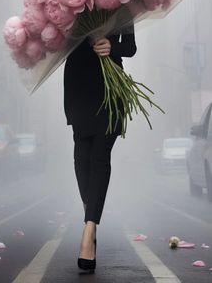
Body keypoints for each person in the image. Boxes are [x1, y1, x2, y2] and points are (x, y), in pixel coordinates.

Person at [63, 22, 137, 272]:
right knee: (81, 160)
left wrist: (112, 46)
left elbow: (130, 47)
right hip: (78, 86)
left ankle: (89, 228)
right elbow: (55, 40)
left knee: (99, 158)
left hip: (109, 89)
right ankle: (90, 214)